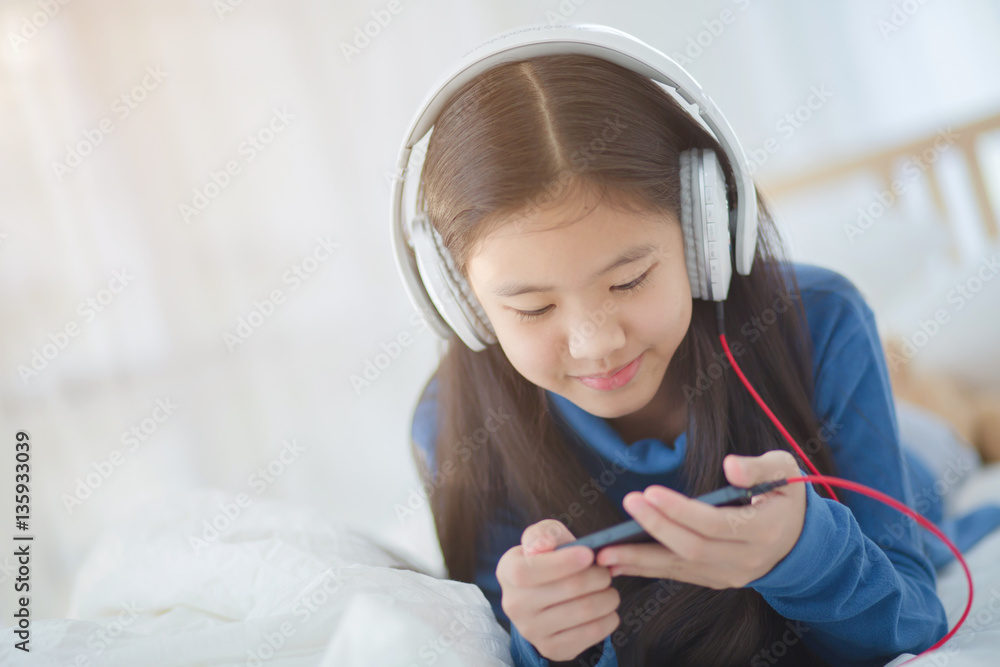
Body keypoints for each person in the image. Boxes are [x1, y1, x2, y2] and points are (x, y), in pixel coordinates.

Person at [403, 49, 1000, 667]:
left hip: (917, 454)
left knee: (940, 439)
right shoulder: (454, 422)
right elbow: (510, 636)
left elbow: (911, 619)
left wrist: (804, 554)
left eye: (629, 280)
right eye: (531, 310)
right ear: (462, 305)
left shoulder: (820, 322)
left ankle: (926, 389)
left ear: (702, 236)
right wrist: (548, 647)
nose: (595, 344)